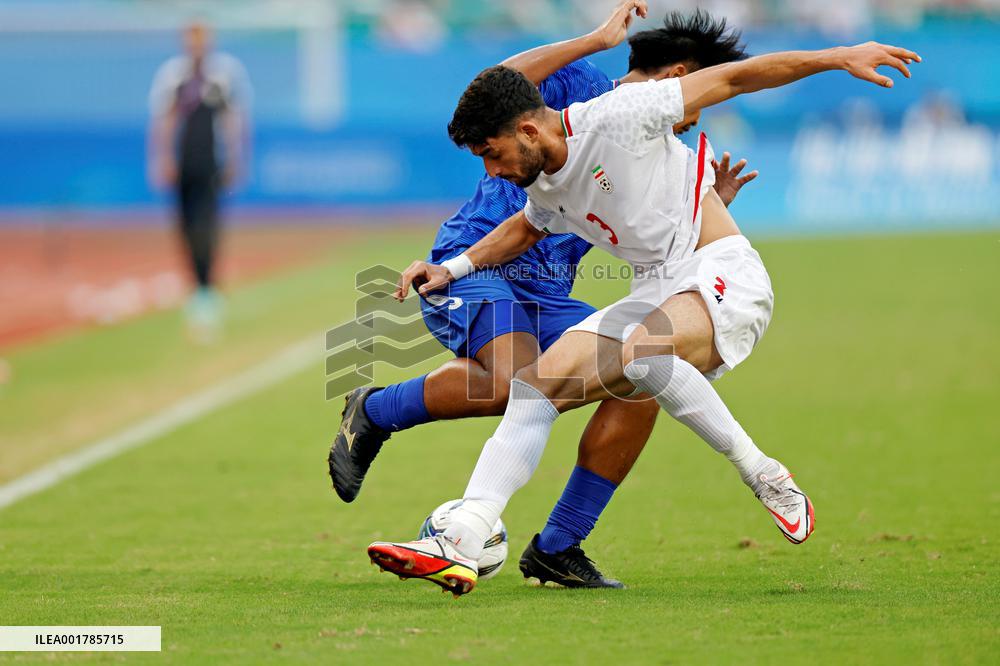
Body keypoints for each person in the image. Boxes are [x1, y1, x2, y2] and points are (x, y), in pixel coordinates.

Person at [367, 39, 920, 596]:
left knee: (642, 351)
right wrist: (452, 268)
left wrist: (840, 56)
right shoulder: (543, 183)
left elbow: (736, 78)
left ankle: (762, 471)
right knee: (533, 390)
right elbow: (526, 228)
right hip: (654, 294)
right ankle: (463, 535)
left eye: (492, 153)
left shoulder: (619, 113)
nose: (492, 170)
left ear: (530, 132)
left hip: (722, 274)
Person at [330, 4, 755, 587]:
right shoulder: (583, 91)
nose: (696, 115)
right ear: (679, 75)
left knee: (646, 372)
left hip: (551, 290)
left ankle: (559, 546)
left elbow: (653, 238)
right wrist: (596, 39)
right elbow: (494, 85)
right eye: (700, 95)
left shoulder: (661, 144)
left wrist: (708, 206)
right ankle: (375, 411)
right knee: (515, 381)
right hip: (478, 262)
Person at [148, 21, 251, 341]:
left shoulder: (224, 74)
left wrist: (236, 159)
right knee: (186, 227)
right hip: (184, 162)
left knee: (207, 226)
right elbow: (163, 120)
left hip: (211, 162)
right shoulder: (173, 75)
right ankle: (198, 286)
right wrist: (162, 158)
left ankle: (206, 290)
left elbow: (236, 119)